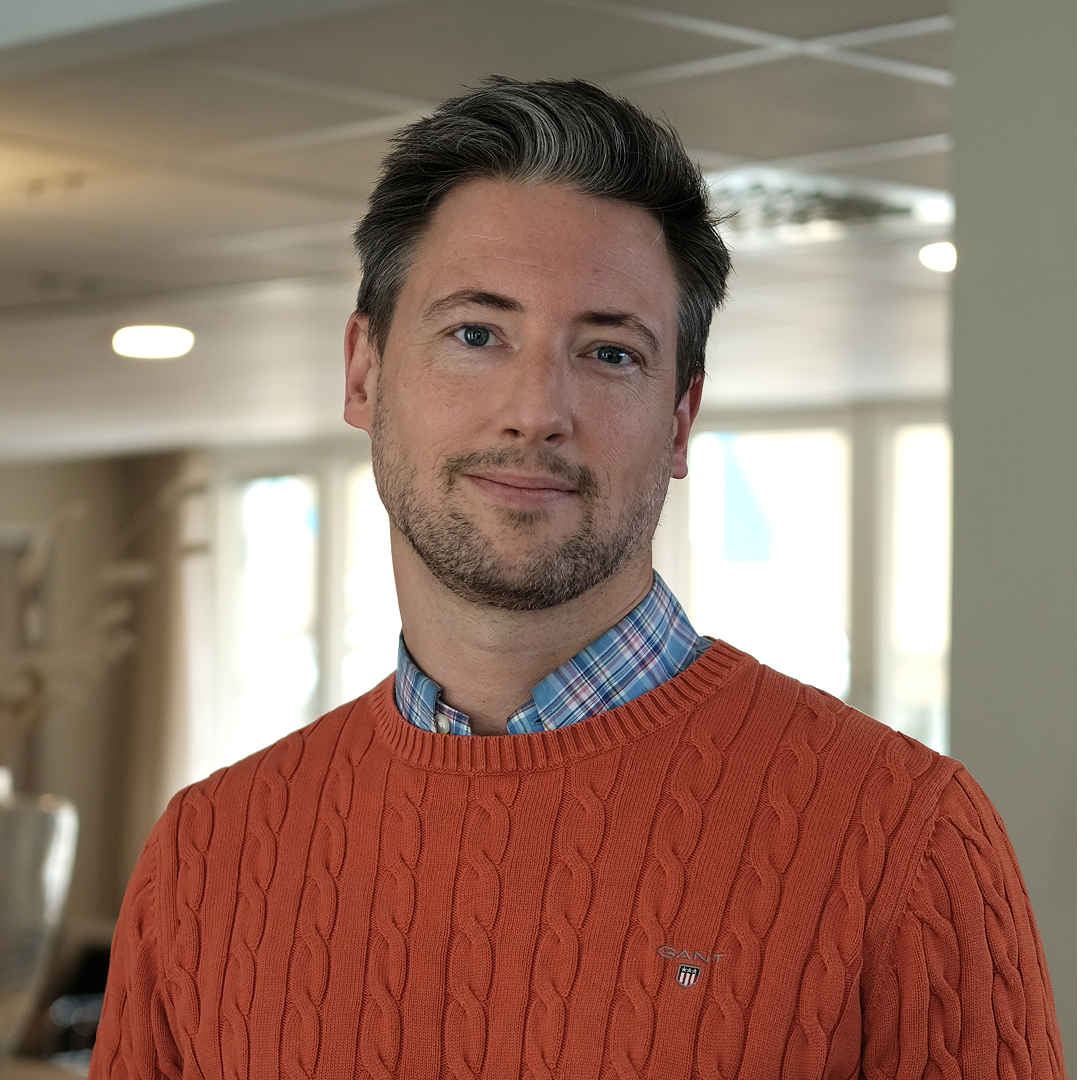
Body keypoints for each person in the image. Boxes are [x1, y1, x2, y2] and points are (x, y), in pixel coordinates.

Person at [91, 78, 1063, 1079]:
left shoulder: (905, 837)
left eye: (608, 352)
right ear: (364, 374)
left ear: (679, 421)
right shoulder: (205, 855)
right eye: (477, 334)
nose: (537, 411)